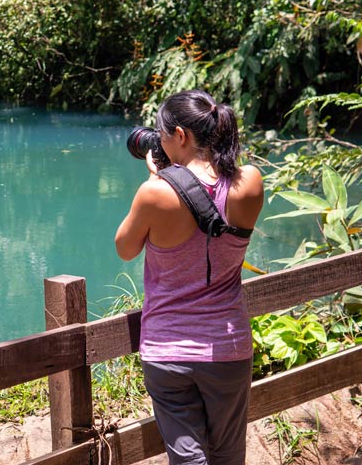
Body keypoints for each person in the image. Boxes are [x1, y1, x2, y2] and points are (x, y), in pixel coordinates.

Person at [114, 89, 264, 465]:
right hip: (229, 347)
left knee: (188, 460)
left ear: (179, 136)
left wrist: (162, 179)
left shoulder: (155, 193)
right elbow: (220, 183)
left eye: (163, 135)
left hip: (168, 351)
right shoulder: (251, 182)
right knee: (229, 455)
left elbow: (124, 248)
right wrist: (173, 175)